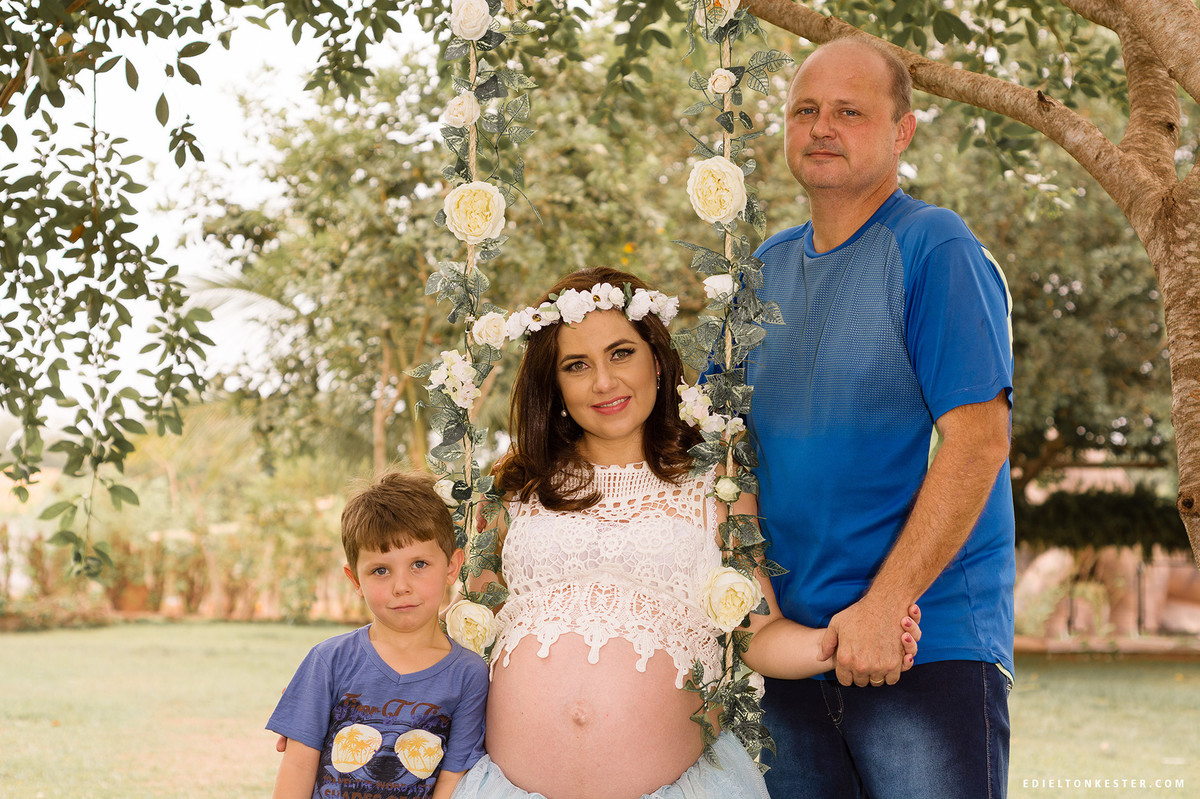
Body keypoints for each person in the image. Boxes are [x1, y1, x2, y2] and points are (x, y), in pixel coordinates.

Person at [450, 266, 921, 799]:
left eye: (621, 353)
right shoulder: (512, 489)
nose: (604, 382)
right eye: (576, 365)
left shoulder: (717, 485)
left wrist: (838, 645)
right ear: (554, 385)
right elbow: (463, 638)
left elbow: (757, 635)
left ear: (658, 360)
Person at [746, 37, 1016, 798]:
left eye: (849, 111)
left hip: (922, 647)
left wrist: (885, 603)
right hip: (792, 652)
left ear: (903, 132)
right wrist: (759, 620)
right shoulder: (759, 271)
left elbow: (978, 442)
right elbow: (719, 454)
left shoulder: (936, 247)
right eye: (805, 110)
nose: (822, 126)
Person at [267, 470, 490, 799]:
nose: (401, 587)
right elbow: (298, 766)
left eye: (419, 564)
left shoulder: (468, 675)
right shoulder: (328, 660)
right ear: (355, 580)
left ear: (452, 566)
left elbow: (452, 780)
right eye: (380, 570)